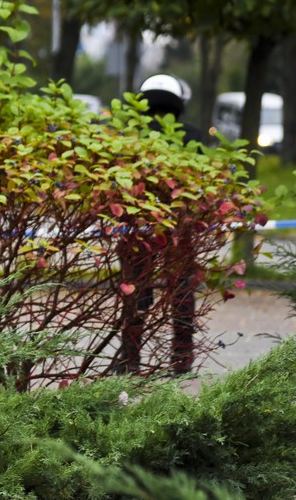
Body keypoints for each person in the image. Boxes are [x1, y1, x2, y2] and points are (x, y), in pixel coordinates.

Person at [116, 73, 202, 376]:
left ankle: (130, 357)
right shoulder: (194, 137)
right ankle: (182, 358)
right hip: (180, 226)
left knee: (135, 288)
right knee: (182, 289)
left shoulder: (128, 136)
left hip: (138, 224)